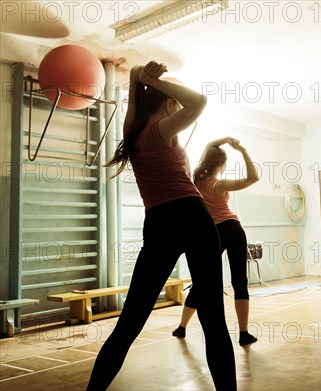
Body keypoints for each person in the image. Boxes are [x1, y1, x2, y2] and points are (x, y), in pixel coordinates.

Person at [87, 61, 236, 390]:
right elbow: (199, 102)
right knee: (214, 321)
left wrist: (137, 77)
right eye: (172, 103)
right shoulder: (159, 131)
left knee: (129, 322)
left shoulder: (134, 133)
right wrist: (148, 80)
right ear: (168, 104)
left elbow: (136, 103)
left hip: (159, 223)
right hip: (192, 217)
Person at [172, 137, 259, 346]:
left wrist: (223, 141)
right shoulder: (220, 184)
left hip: (211, 232)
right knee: (240, 282)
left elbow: (209, 145)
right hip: (232, 229)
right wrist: (243, 149)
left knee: (201, 282)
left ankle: (181, 327)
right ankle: (244, 333)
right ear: (221, 164)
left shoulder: (195, 181)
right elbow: (253, 177)